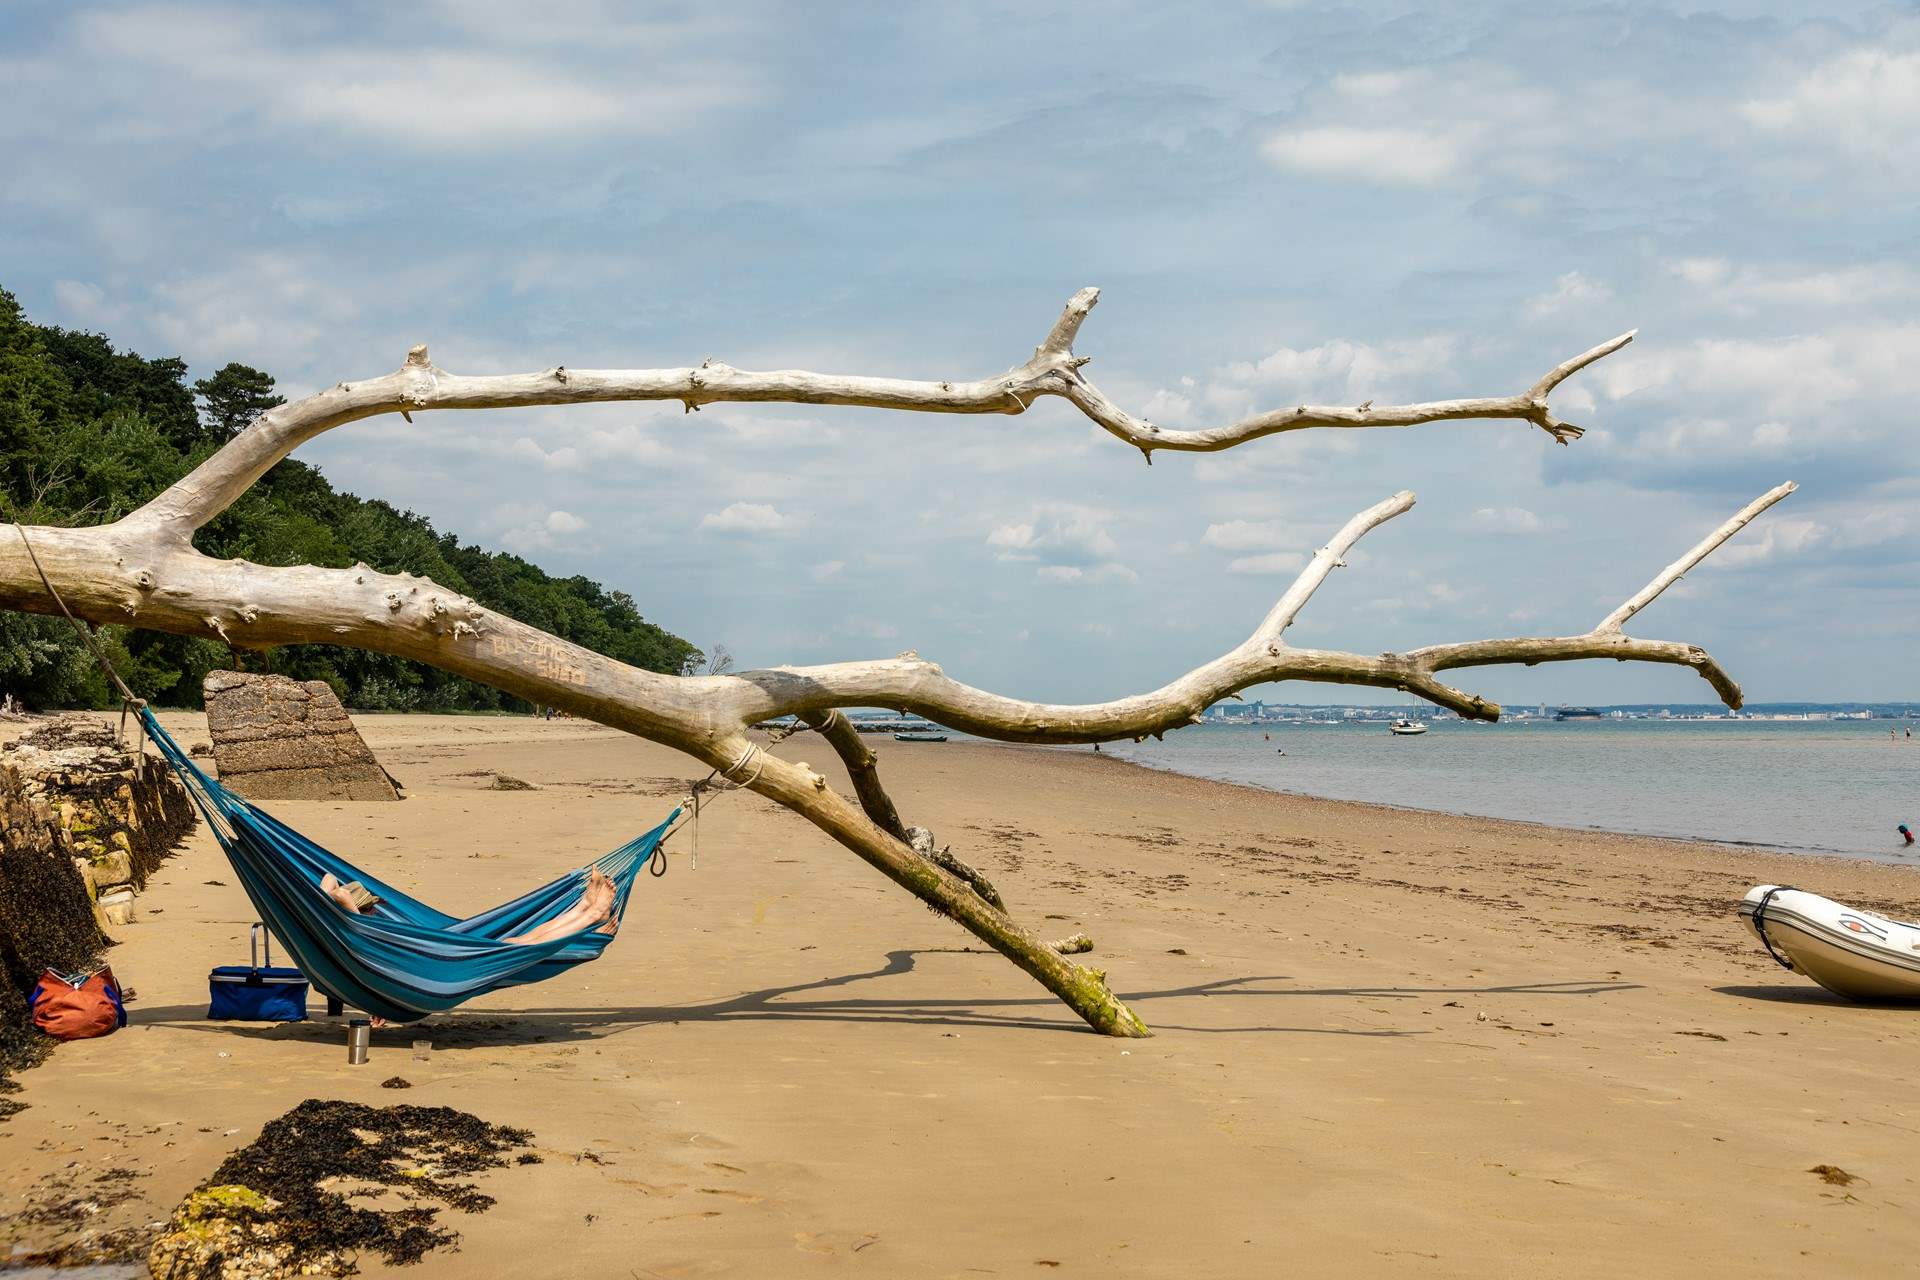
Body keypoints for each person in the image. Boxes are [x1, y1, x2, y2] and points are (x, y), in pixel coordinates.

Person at [320, 870, 619, 943]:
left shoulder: (357, 926)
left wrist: (323, 900)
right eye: (370, 907)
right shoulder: (358, 926)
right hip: (440, 963)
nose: (375, 911)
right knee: (522, 943)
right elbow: (339, 891)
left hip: (442, 951)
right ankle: (590, 914)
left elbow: (329, 879)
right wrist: (341, 904)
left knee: (522, 940)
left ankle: (584, 909)